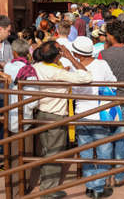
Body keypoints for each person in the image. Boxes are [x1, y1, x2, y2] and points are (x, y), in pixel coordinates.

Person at [33, 41, 92, 199]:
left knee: (48, 151)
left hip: (42, 113)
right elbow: (87, 76)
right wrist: (71, 58)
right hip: (55, 115)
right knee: (54, 153)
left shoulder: (38, 67)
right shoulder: (56, 73)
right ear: (57, 55)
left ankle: (48, 187)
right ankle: (48, 191)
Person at [72, 36, 116, 199]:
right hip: (100, 113)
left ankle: (90, 185)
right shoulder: (102, 64)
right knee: (104, 150)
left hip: (81, 114)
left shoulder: (72, 67)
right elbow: (113, 83)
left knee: (86, 153)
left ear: (77, 53)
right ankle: (99, 186)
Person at [98, 20, 124, 186]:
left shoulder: (103, 55)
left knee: (105, 138)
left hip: (106, 101)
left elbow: (99, 75)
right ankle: (119, 175)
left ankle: (106, 176)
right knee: (121, 139)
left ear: (111, 36)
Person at [4, 39, 38, 133]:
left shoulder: (7, 67)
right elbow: (33, 99)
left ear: (14, 52)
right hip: (25, 115)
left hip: (9, 112)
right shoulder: (30, 69)